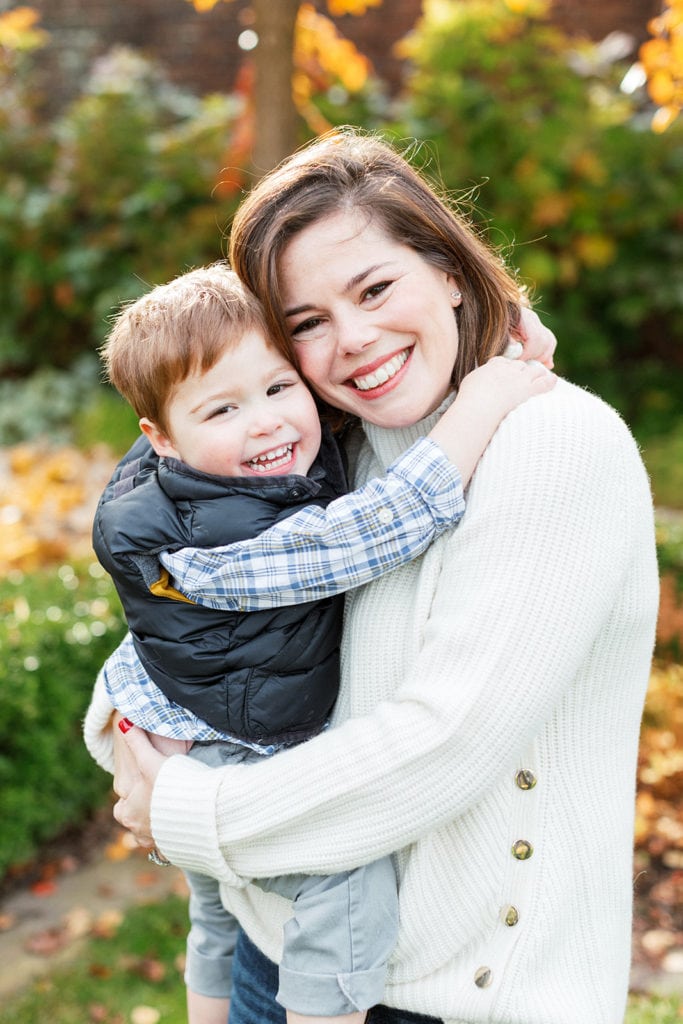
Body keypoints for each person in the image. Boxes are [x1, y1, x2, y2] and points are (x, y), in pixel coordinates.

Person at [85, 128, 659, 1024]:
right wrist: (131, 731)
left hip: (447, 1002)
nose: (351, 340)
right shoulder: (322, 443)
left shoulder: (552, 447)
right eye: (305, 323)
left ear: (452, 270)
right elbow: (192, 428)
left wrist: (193, 808)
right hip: (272, 950)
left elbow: (443, 745)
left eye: (376, 288)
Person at [91, 261, 554, 1024]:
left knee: (217, 903)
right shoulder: (215, 550)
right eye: (224, 409)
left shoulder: (212, 471)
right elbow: (376, 531)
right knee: (342, 883)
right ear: (161, 440)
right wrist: (485, 398)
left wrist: (505, 318)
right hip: (215, 738)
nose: (267, 421)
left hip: (193, 708)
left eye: (278, 388)